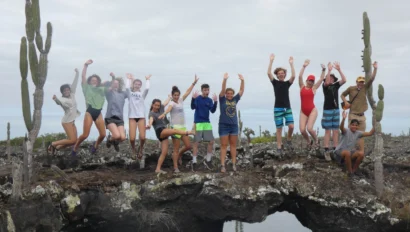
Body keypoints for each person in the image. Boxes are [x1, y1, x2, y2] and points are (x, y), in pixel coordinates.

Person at [146, 99, 195, 174]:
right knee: (174, 130)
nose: (157, 107)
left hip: (164, 132)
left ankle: (158, 169)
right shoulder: (151, 113)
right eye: (155, 105)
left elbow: (165, 103)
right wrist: (149, 125)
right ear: (152, 105)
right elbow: (151, 120)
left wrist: (169, 97)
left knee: (164, 152)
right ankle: (189, 132)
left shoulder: (161, 109)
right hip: (160, 131)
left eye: (158, 105)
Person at [161, 75, 198, 173]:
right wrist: (164, 114)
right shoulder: (172, 103)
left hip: (183, 128)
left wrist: (194, 83)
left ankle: (180, 155)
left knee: (188, 146)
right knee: (176, 149)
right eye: (175, 95)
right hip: (175, 129)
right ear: (172, 96)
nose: (176, 97)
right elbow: (168, 110)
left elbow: (188, 92)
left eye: (177, 95)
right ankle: (175, 167)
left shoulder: (181, 100)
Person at [341, 61, 378, 154]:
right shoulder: (351, 88)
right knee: (350, 134)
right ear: (356, 81)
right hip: (353, 114)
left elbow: (372, 78)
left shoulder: (365, 87)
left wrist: (375, 68)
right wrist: (346, 102)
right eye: (360, 81)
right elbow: (342, 95)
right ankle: (347, 151)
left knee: (361, 134)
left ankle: (361, 152)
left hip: (362, 116)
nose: (361, 83)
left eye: (362, 82)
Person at [71, 59, 106, 156]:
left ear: (98, 82)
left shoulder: (101, 89)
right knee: (85, 135)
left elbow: (111, 88)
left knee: (103, 135)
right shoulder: (86, 88)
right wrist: (86, 65)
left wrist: (111, 80)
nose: (94, 81)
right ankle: (75, 147)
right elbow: (83, 76)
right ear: (89, 81)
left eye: (96, 80)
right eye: (92, 80)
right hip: (90, 112)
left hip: (99, 112)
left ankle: (95, 145)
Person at [267, 54, 296, 154]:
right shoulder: (275, 82)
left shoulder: (287, 83)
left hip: (287, 108)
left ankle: (288, 140)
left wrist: (291, 64)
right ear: (277, 75)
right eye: (279, 73)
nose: (281, 74)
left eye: (282, 73)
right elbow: (268, 73)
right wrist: (271, 61)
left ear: (284, 74)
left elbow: (293, 76)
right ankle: (279, 147)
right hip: (278, 108)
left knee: (291, 126)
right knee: (279, 129)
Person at [333, 111, 374, 178]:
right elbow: (341, 128)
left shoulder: (358, 133)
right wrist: (343, 119)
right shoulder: (346, 131)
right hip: (339, 152)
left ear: (358, 126)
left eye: (356, 125)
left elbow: (370, 133)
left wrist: (376, 123)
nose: (354, 126)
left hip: (349, 152)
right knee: (347, 153)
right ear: (350, 125)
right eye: (353, 125)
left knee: (361, 154)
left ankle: (354, 170)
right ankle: (350, 172)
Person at [49, 68, 81, 154]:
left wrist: (77, 73)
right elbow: (59, 103)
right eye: (64, 91)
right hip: (67, 121)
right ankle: (53, 144)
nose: (66, 91)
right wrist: (55, 99)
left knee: (74, 141)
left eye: (67, 90)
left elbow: (75, 84)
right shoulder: (62, 99)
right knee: (72, 140)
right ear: (62, 92)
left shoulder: (72, 94)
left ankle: (57, 148)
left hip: (72, 121)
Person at [218, 73, 245, 173]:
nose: (229, 95)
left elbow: (241, 91)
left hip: (234, 126)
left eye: (231, 93)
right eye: (227, 93)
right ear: (225, 94)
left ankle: (234, 164)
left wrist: (242, 81)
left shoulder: (235, 99)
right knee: (224, 145)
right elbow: (222, 90)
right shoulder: (222, 100)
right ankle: (222, 165)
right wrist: (224, 80)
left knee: (233, 145)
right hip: (223, 125)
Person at [298, 60, 326, 150]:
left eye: (312, 81)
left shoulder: (313, 88)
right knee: (302, 130)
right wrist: (304, 66)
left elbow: (321, 79)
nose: (310, 82)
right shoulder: (302, 87)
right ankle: (309, 142)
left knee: (309, 128)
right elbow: (299, 76)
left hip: (312, 110)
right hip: (303, 111)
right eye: (309, 80)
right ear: (306, 80)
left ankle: (317, 141)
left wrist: (324, 69)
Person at [190, 84, 218, 171]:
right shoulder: (197, 98)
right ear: (202, 90)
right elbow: (192, 107)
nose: (207, 92)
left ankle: (208, 160)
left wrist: (216, 102)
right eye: (205, 90)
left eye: (208, 90)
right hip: (198, 123)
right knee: (196, 143)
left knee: (211, 141)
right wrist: (193, 99)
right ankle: (194, 162)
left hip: (206, 123)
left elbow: (212, 111)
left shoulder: (209, 100)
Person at [321, 62, 346, 158]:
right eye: (329, 77)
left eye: (332, 78)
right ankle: (326, 148)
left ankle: (336, 147)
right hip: (327, 110)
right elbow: (326, 82)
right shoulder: (325, 86)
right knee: (327, 130)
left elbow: (344, 80)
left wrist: (339, 69)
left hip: (336, 110)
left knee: (335, 130)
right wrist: (329, 70)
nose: (330, 79)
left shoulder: (336, 85)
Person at [125, 73, 151, 160]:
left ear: (140, 86)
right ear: (133, 85)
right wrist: (128, 79)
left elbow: (147, 89)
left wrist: (147, 79)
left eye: (139, 84)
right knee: (132, 139)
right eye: (136, 84)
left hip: (141, 117)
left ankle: (141, 149)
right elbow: (127, 88)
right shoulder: (130, 94)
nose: (137, 85)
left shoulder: (142, 95)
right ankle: (133, 150)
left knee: (143, 137)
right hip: (132, 117)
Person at [104, 72, 128, 152]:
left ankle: (114, 142)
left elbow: (130, 90)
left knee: (123, 137)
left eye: (117, 83)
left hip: (120, 118)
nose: (116, 84)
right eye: (114, 83)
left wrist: (130, 79)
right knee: (117, 135)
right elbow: (111, 85)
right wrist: (113, 77)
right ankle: (110, 140)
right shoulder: (109, 93)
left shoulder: (123, 94)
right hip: (110, 117)